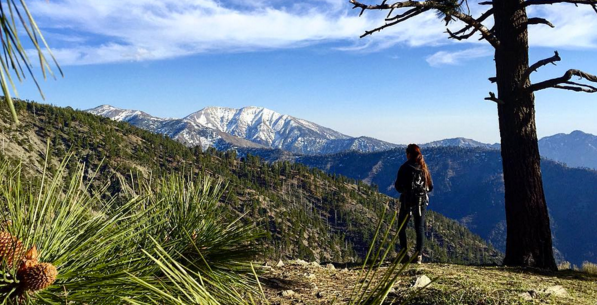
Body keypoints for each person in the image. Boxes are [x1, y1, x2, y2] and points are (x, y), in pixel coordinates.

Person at [394, 144, 433, 264]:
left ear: (408, 154)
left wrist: (405, 191)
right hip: (421, 202)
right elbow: (430, 187)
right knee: (419, 228)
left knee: (401, 227)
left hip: (407, 201)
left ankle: (403, 254)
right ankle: (418, 256)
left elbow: (398, 186)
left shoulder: (404, 167)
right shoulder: (423, 167)